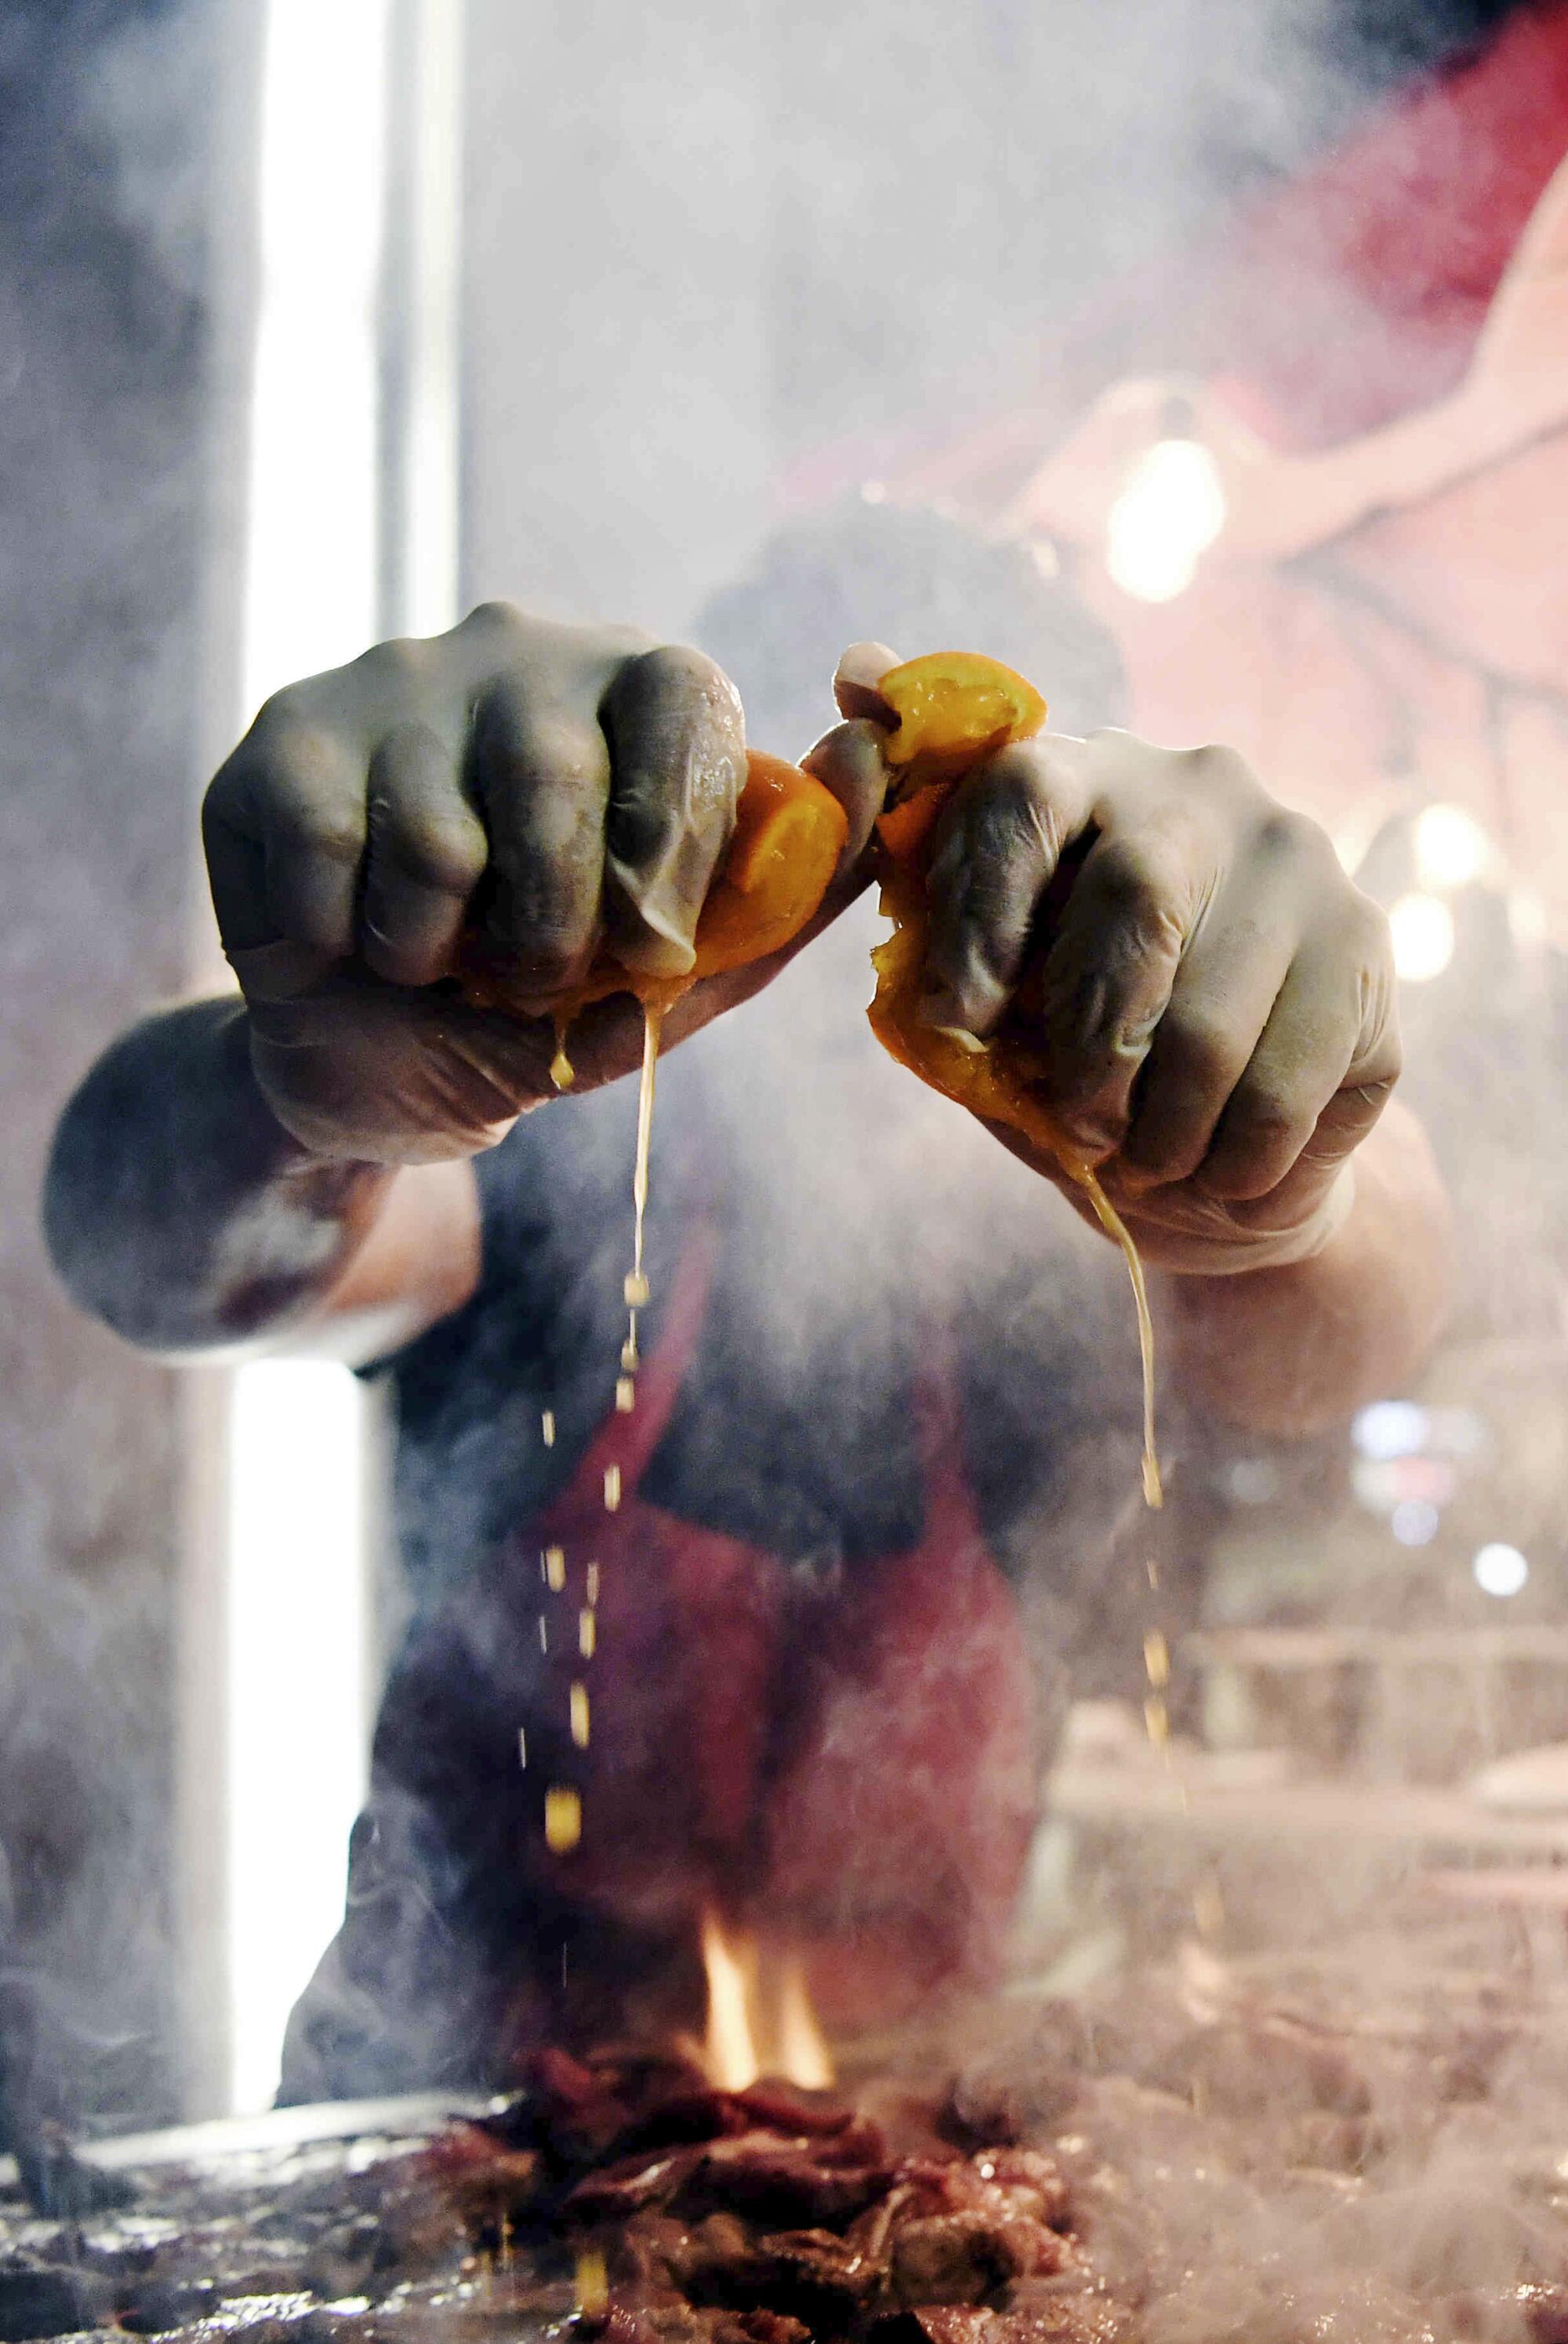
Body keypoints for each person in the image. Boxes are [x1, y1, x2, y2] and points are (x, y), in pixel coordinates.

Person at [44, 503, 1450, 2100]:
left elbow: (1358, 1304)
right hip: (440, 2163)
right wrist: (289, 1093)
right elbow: (142, 1235)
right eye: (842, 882)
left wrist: (1292, 1176)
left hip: (868, 2186)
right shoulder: (551, 1155)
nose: (885, 959)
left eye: (975, 901)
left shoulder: (1065, 1261)